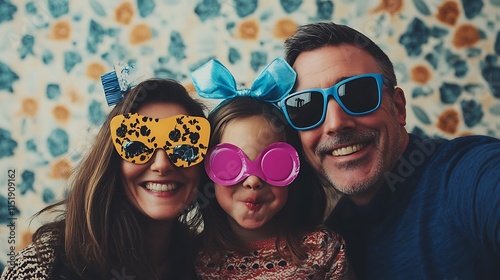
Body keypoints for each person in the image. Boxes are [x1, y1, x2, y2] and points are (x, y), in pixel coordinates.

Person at [279, 21, 500, 279]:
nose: (336, 123)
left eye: (357, 94)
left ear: (398, 108)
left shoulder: (468, 175)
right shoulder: (328, 247)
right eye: (306, 107)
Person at [1, 78, 210, 279]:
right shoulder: (42, 268)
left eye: (184, 148)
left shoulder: (210, 267)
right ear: (111, 161)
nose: (162, 164)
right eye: (136, 146)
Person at [190, 58, 354, 279]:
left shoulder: (324, 249)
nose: (253, 180)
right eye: (230, 164)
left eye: (274, 163)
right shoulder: (194, 259)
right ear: (207, 173)